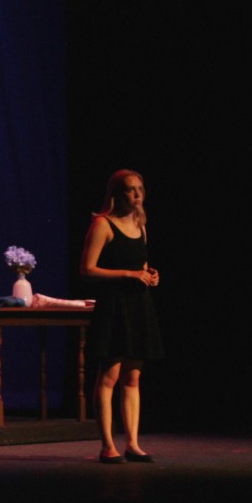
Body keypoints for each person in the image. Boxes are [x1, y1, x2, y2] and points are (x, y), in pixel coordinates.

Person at [80, 169, 164, 464]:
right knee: (109, 376)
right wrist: (129, 274)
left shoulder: (141, 224)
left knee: (133, 377)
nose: (137, 194)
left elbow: (140, 263)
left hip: (138, 306)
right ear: (117, 193)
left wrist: (149, 274)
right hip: (114, 307)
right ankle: (107, 446)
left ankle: (133, 444)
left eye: (140, 188)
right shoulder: (102, 224)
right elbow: (87, 269)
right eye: (130, 189)